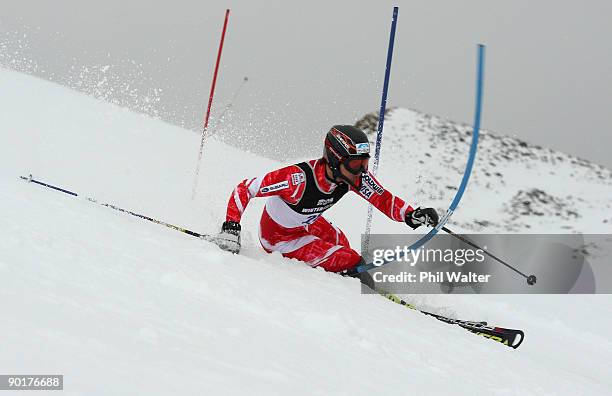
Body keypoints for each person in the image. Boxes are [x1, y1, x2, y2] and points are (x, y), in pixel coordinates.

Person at [216, 125, 439, 275]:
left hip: (306, 224)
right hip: (279, 239)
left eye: (364, 163)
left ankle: (350, 277)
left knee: (341, 241)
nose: (361, 171)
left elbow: (382, 198)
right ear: (334, 157)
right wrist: (231, 227)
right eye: (355, 164)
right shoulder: (298, 179)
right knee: (352, 260)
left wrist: (411, 215)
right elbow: (245, 189)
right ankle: (365, 295)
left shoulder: (353, 178)